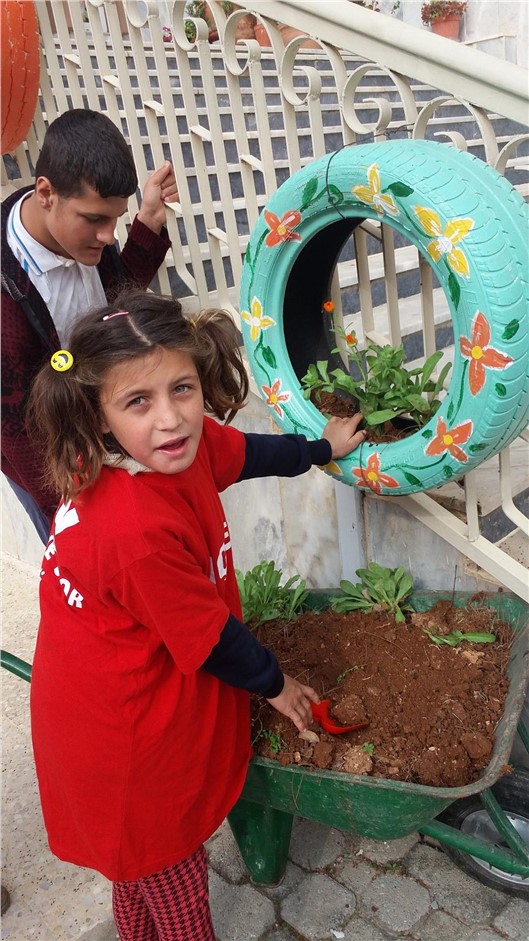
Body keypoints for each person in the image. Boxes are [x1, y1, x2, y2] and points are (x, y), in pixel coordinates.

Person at [26, 289, 366, 941]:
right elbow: (212, 640)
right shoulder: (132, 528)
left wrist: (319, 449)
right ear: (98, 416)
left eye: (181, 388)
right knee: (172, 871)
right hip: (125, 748)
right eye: (138, 401)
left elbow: (245, 453)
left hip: (104, 700)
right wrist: (278, 685)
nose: (171, 419)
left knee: (137, 872)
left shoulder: (178, 446)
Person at [1, 108, 178, 541]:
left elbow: (112, 302)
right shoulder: (6, 295)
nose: (108, 235)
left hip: (111, 432)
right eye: (95, 219)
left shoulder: (76, 234)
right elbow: (14, 434)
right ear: (46, 193)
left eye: (116, 218)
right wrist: (76, 515)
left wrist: (148, 222)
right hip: (50, 466)